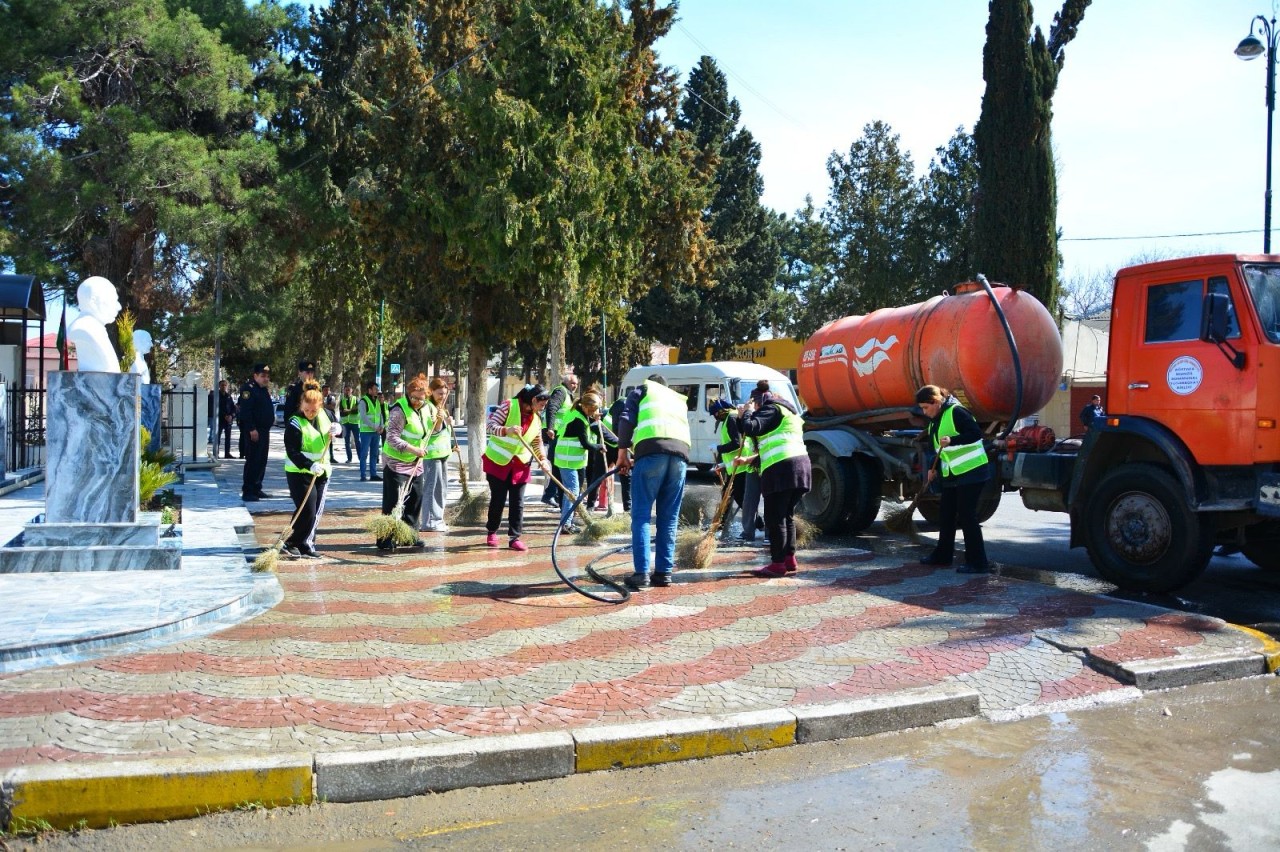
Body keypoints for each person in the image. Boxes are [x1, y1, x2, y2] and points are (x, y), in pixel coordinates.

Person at [614, 375, 690, 591]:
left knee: (641, 516)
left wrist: (622, 454)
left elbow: (626, 419)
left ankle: (642, 574)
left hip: (651, 454)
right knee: (669, 518)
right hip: (680, 457)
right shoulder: (677, 398)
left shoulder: (643, 390)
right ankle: (664, 573)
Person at [735, 387, 812, 577]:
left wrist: (747, 413)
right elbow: (770, 441)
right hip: (800, 467)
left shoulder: (772, 408)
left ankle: (777, 564)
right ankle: (789, 560)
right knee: (786, 515)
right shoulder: (788, 413)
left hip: (782, 470)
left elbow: (751, 427)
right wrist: (748, 459)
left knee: (774, 518)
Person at [916, 384, 992, 574]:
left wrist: (953, 440)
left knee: (967, 516)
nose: (925, 412)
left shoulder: (956, 412)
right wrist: (934, 469)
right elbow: (939, 449)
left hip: (972, 471)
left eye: (926, 407)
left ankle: (978, 562)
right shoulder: (935, 420)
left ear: (936, 401)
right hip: (952, 473)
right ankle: (942, 555)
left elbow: (975, 434)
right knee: (946, 515)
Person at [484, 384, 550, 552]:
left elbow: (537, 441)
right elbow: (490, 426)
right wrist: (507, 430)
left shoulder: (536, 418)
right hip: (498, 462)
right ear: (534, 400)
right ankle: (492, 531)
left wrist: (543, 459)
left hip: (520, 464)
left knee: (518, 502)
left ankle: (515, 537)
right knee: (498, 500)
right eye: (542, 405)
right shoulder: (509, 405)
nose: (543, 408)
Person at [282, 379, 343, 558]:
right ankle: (292, 540)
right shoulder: (294, 422)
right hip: (299, 472)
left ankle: (306, 543)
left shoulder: (327, 415)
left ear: (320, 406)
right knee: (306, 508)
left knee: (315, 510)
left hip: (322, 472)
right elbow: (292, 451)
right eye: (306, 409)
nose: (310, 413)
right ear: (301, 404)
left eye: (314, 410)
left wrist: (338, 430)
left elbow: (340, 431)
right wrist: (309, 465)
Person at [376, 373, 434, 551]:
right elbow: (391, 437)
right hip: (396, 461)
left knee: (415, 499)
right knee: (394, 501)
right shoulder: (399, 409)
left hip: (415, 462)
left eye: (421, 399)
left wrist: (441, 420)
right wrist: (413, 449)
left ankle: (409, 535)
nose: (417, 401)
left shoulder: (426, 408)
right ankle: (386, 538)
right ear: (408, 394)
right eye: (414, 398)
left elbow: (430, 429)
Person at [554, 390, 614, 532]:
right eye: (592, 410)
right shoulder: (578, 420)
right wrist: (600, 446)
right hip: (567, 460)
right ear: (586, 407)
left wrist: (594, 419)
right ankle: (566, 524)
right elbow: (586, 444)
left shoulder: (578, 413)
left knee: (575, 491)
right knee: (573, 491)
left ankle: (568, 520)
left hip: (574, 461)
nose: (593, 413)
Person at [420, 377, 455, 533]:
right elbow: (432, 430)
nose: (442, 396)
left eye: (444, 393)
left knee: (441, 489)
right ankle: (429, 522)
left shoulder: (440, 407)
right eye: (439, 393)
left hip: (442, 454)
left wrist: (447, 422)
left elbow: (444, 432)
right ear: (431, 392)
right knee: (431, 489)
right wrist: (441, 421)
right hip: (431, 455)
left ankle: (438, 519)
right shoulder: (428, 407)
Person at [540, 373, 579, 508]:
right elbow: (552, 408)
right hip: (554, 433)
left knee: (558, 464)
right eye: (573, 383)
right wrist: (550, 428)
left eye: (576, 384)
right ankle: (550, 494)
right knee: (557, 464)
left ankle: (551, 494)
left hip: (559, 433)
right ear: (566, 382)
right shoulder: (560, 392)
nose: (575, 386)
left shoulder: (568, 394)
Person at [67, 276, 122, 373]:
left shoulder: (95, 329)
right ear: (93, 301)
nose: (119, 307)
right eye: (113, 300)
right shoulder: (84, 328)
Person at [238, 362, 275, 501]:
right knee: (253, 460)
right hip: (254, 431)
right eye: (262, 376)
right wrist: (252, 429)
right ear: (255, 376)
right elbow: (246, 412)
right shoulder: (248, 389)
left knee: (261, 460)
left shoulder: (263, 389)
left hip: (264, 430)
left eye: (267, 376)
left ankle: (257, 487)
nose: (266, 378)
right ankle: (248, 491)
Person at [605, 396, 631, 512]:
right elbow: (616, 428)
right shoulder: (622, 404)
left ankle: (628, 509)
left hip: (619, 442)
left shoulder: (631, 405)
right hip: (608, 443)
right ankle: (590, 506)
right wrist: (625, 447)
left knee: (625, 475)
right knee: (598, 475)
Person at [357, 379, 385, 482]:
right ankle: (363, 475)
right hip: (366, 432)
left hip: (376, 432)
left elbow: (380, 414)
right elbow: (363, 417)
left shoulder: (377, 401)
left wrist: (382, 426)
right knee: (364, 454)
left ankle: (373, 474)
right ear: (369, 390)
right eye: (375, 389)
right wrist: (375, 426)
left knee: (374, 454)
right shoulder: (363, 401)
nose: (377, 391)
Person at [215, 379, 237, 459]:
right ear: (219, 386)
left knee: (228, 438)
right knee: (218, 437)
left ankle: (227, 453)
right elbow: (216, 407)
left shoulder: (228, 396)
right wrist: (224, 415)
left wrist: (231, 415)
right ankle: (216, 453)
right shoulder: (216, 396)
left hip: (228, 420)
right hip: (220, 420)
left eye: (225, 385)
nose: (224, 387)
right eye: (222, 385)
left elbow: (232, 407)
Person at [339, 385, 359, 463]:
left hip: (354, 423)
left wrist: (347, 410)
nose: (347, 391)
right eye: (346, 390)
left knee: (357, 441)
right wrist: (351, 410)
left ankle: (360, 458)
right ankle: (349, 458)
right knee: (347, 442)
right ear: (344, 391)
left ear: (351, 391)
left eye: (348, 390)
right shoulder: (342, 400)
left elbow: (357, 410)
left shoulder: (355, 399)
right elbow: (341, 412)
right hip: (345, 423)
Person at [322, 385, 340, 463]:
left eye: (328, 390)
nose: (327, 392)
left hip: (329, 420)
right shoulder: (319, 397)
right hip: (321, 420)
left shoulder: (331, 398)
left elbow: (332, 406)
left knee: (330, 439)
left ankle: (331, 457)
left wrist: (323, 405)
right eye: (325, 390)